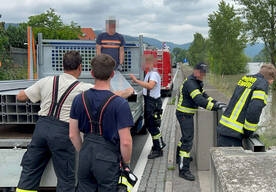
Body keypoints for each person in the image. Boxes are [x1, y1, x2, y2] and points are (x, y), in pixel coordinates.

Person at [15, 51, 134, 192]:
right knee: (66, 178)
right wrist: (127, 92)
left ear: (62, 65)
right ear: (80, 67)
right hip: (62, 132)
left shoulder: (46, 81)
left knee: (30, 171)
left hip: (41, 129)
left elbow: (20, 96)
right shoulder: (82, 89)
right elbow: (107, 96)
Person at [69, 54, 134, 191]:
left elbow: (73, 135)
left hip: (85, 158)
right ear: (112, 74)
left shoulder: (78, 99)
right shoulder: (120, 104)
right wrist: (126, 163)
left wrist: (85, 151)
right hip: (108, 160)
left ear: (92, 73)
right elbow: (126, 142)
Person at [175, 63, 226, 181]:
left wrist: (216, 102)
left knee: (185, 137)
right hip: (184, 114)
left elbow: (204, 96)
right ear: (196, 71)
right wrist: (214, 108)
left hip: (186, 114)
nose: (204, 74)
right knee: (188, 140)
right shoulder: (191, 83)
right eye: (202, 72)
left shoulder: (196, 82)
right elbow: (198, 100)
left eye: (205, 72)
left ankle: (180, 157)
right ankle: (183, 170)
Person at [216, 63, 276, 147]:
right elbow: (255, 109)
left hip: (224, 129)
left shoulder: (245, 79)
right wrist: (249, 131)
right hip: (234, 135)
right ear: (271, 79)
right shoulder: (262, 84)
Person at [129, 54, 165, 159]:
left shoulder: (153, 74)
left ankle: (158, 149)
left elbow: (150, 86)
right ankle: (158, 145)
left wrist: (136, 81)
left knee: (152, 126)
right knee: (150, 125)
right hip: (150, 102)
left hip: (153, 103)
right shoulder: (149, 73)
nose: (143, 65)